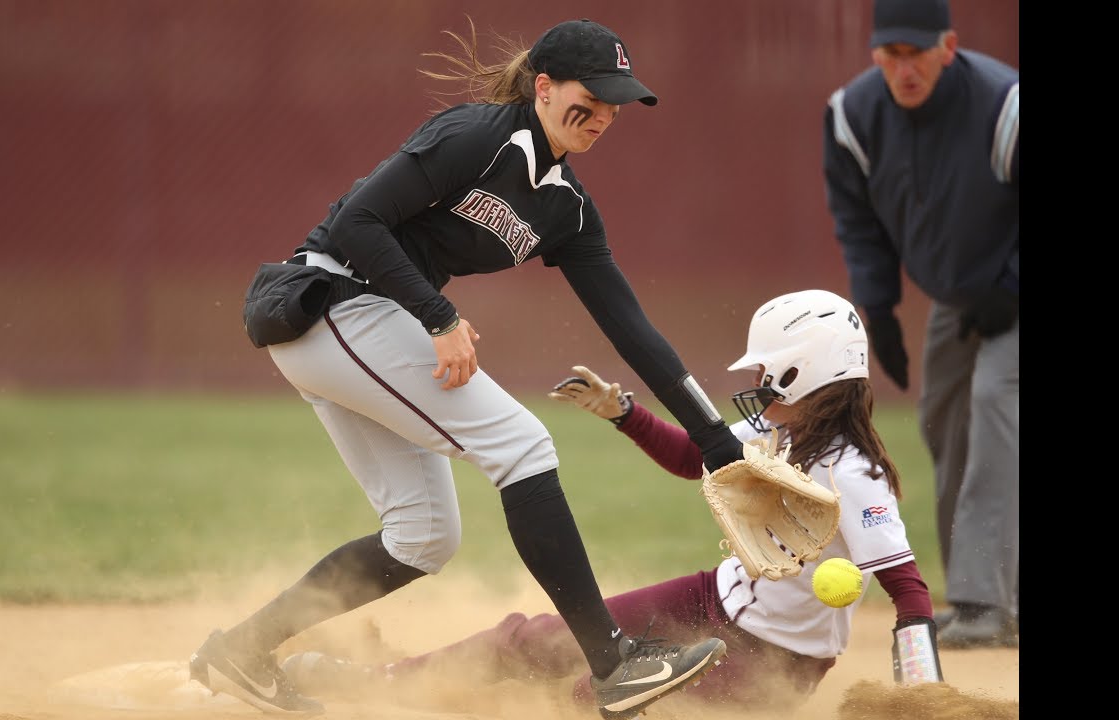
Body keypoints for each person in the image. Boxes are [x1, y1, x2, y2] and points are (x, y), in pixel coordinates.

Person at [189, 18, 745, 720]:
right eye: (590, 96)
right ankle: (614, 663)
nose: (603, 114)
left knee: (423, 536)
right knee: (523, 445)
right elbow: (360, 220)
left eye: (615, 103)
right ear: (543, 88)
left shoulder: (566, 208)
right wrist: (439, 318)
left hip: (363, 325)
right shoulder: (479, 135)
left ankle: (243, 651)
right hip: (332, 303)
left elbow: (632, 331)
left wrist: (714, 437)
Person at [277, 289, 943, 713]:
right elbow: (693, 458)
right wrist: (624, 412)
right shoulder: (776, 429)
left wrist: (925, 698)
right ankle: (380, 682)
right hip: (712, 596)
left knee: (595, 698)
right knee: (545, 641)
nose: (760, 386)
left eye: (771, 375)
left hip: (777, 658)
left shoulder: (854, 475)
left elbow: (911, 594)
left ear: (814, 376)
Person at [821, 0, 1018, 648]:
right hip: (961, 296)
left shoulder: (1003, 104)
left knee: (995, 404)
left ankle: (984, 604)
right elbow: (858, 220)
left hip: (1009, 288)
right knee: (942, 420)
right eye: (891, 54)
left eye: (917, 53)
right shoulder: (854, 114)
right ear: (876, 53)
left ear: (948, 47)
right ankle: (990, 592)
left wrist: (1008, 286)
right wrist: (877, 309)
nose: (904, 69)